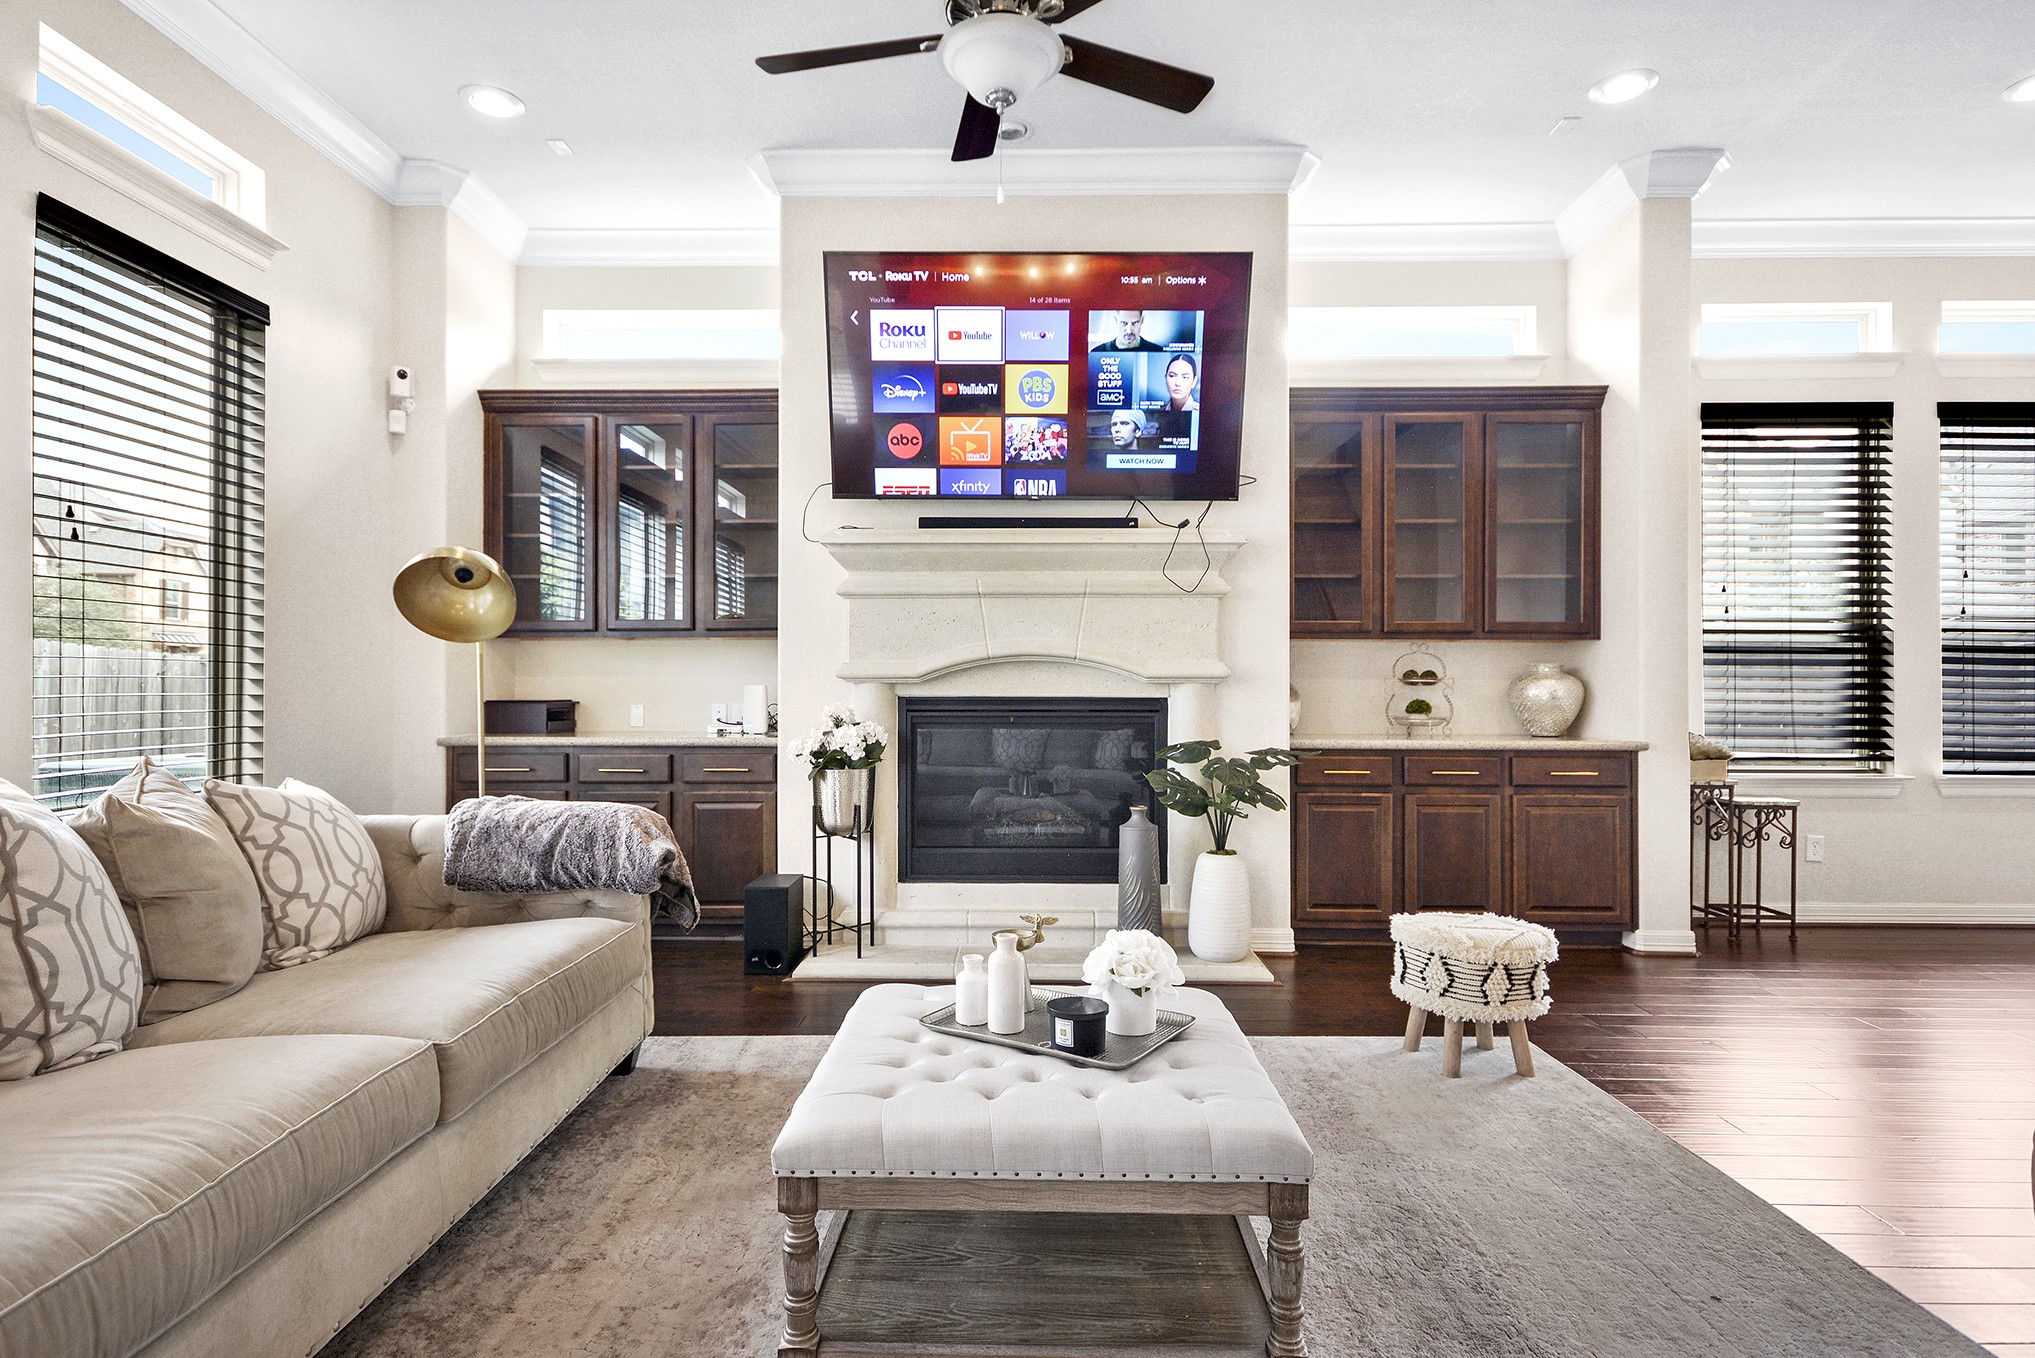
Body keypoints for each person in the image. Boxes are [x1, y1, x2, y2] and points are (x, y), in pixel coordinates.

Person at [1091, 309, 1164, 352]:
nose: (1129, 331)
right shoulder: (1097, 352)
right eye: (1124, 323)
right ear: (1116, 320)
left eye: (1135, 323)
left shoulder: (1157, 350)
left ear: (1142, 320)